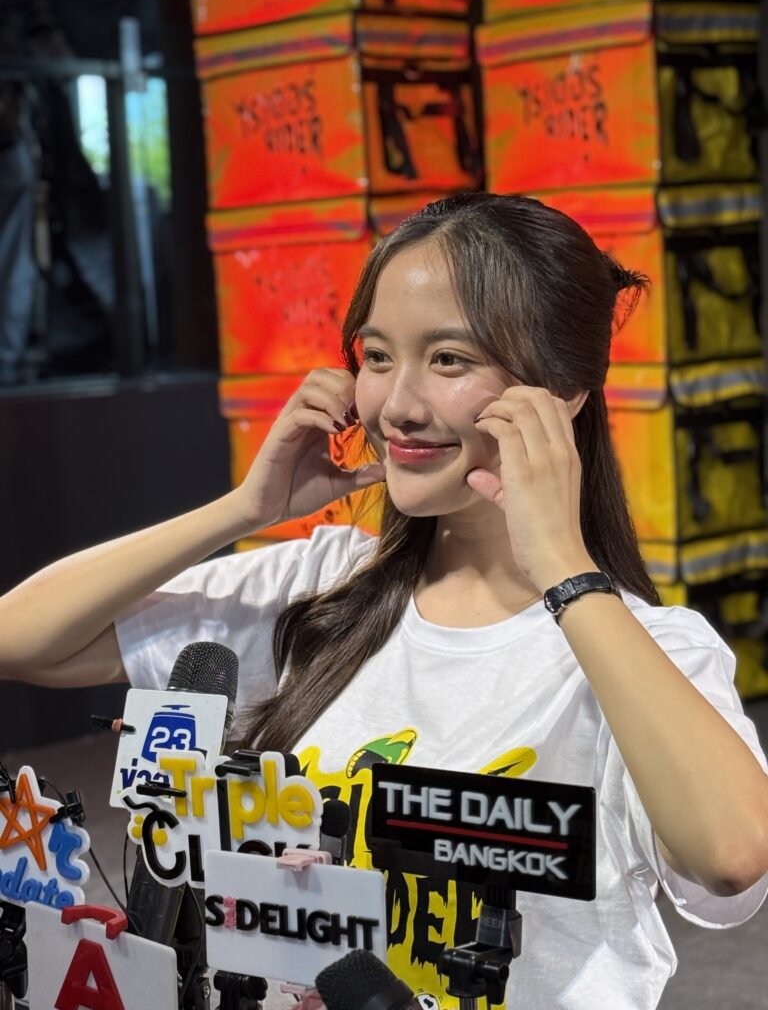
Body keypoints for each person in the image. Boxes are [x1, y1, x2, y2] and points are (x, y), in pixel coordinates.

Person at [1, 193, 767, 1008]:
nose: (397, 405)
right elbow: (20, 638)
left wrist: (565, 570)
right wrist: (243, 510)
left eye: (449, 360)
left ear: (566, 389)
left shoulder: (644, 648)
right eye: (375, 356)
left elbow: (730, 855)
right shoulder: (321, 587)